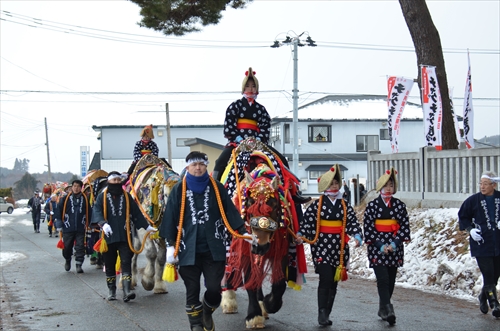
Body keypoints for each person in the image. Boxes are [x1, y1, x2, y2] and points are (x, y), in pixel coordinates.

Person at [160, 151, 250, 331]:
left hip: (213, 249)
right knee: (192, 290)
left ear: (206, 166)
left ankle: (207, 312)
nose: (198, 168)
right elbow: (169, 218)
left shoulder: (217, 187)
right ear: (188, 167)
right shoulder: (179, 189)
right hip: (187, 249)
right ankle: (195, 326)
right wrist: (170, 245)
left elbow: (230, 211)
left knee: (215, 290)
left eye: (201, 164)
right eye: (194, 164)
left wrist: (242, 231)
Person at [212, 67, 310, 204]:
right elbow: (229, 126)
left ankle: (294, 192)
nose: (250, 89)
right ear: (243, 88)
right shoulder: (234, 106)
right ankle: (213, 190)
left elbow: (265, 127)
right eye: (248, 86)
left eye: (253, 86)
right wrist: (239, 139)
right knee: (220, 161)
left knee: (281, 159)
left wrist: (258, 139)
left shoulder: (261, 109)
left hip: (258, 143)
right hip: (238, 142)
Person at [297, 165, 363, 326]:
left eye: (336, 183)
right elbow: (308, 224)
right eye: (331, 183)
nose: (334, 186)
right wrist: (301, 235)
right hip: (322, 245)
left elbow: (352, 223)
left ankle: (327, 312)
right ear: (325, 186)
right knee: (325, 278)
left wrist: (356, 235)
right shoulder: (316, 205)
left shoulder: (344, 204)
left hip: (339, 247)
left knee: (334, 281)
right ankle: (321, 312)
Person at [91, 171, 157, 302]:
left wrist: (146, 226)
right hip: (108, 236)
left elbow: (136, 213)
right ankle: (111, 291)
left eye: (118, 180)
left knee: (126, 262)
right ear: (109, 181)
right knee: (109, 264)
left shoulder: (127, 196)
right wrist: (103, 224)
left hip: (125, 235)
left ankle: (127, 291)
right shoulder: (101, 197)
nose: (116, 182)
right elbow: (97, 210)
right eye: (113, 180)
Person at [363, 168, 410, 326]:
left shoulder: (399, 206)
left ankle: (382, 307)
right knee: (382, 279)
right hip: (378, 246)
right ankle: (389, 309)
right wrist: (380, 245)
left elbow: (403, 227)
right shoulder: (372, 206)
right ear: (380, 187)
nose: (389, 188)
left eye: (391, 185)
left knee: (390, 280)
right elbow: (368, 228)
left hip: (394, 246)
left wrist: (395, 244)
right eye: (386, 185)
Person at [458, 170, 500, 318]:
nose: (482, 187)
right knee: (488, 274)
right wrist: (470, 230)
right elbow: (463, 216)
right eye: (480, 183)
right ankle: (494, 303)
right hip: (481, 243)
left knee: (495, 275)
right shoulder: (472, 200)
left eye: (486, 184)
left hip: (498, 242)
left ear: (493, 185)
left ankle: (483, 295)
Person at [55, 179, 92, 274]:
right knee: (67, 247)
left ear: (81, 188)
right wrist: (59, 223)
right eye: (74, 186)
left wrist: (91, 223)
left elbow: (89, 212)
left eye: (78, 186)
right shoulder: (65, 198)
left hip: (80, 227)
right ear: (72, 187)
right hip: (68, 227)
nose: (76, 188)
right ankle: (67, 259)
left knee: (80, 247)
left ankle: (79, 264)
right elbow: (58, 210)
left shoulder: (85, 199)